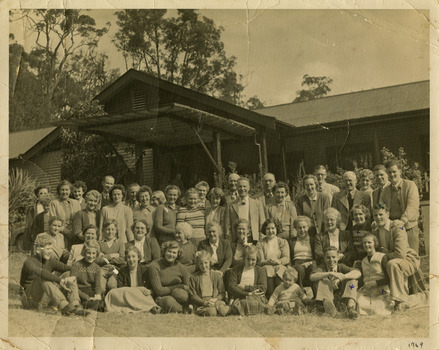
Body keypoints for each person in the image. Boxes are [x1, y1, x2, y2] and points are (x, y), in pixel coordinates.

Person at [372, 205, 428, 312]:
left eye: (381, 214)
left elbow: (400, 254)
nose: (378, 217)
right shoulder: (375, 231)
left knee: (392, 264)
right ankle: (385, 297)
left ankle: (398, 300)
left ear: (388, 214)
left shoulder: (398, 227)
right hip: (390, 261)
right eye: (375, 215)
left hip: (408, 260)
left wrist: (383, 255)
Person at [20, 236, 88, 316]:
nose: (50, 252)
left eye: (51, 249)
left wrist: (72, 277)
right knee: (43, 278)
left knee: (68, 274)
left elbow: (73, 269)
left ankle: (74, 305)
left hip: (44, 297)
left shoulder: (50, 261)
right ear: (38, 250)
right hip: (30, 299)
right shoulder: (29, 262)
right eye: (47, 249)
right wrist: (60, 281)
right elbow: (41, 272)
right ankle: (65, 306)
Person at [379, 160, 420, 253]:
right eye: (389, 172)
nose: (392, 174)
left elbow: (412, 207)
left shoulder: (410, 185)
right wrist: (379, 219)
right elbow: (381, 207)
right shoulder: (385, 190)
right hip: (393, 228)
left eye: (394, 172)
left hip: (408, 226)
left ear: (400, 171)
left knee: (411, 256)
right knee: (397, 256)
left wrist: (402, 221)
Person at [105, 245, 160, 313]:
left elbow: (153, 287)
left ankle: (150, 307)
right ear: (126, 259)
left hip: (140, 296)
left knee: (143, 294)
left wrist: (150, 291)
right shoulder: (122, 271)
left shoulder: (145, 270)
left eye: (133, 256)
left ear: (138, 258)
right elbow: (121, 289)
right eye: (128, 257)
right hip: (128, 296)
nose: (131, 259)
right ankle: (139, 307)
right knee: (112, 293)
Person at [310, 246, 361, 319]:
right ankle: (329, 309)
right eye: (328, 257)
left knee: (352, 280)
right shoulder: (322, 267)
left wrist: (341, 278)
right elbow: (312, 277)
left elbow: (358, 273)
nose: (331, 260)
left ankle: (350, 308)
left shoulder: (341, 267)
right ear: (324, 258)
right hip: (326, 300)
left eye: (333, 257)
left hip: (341, 298)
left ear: (338, 258)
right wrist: (330, 273)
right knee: (323, 279)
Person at [148, 241, 191, 313]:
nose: (171, 255)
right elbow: (159, 291)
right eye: (169, 251)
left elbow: (188, 286)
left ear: (178, 254)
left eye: (174, 253)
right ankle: (184, 310)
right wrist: (179, 286)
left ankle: (184, 308)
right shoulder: (155, 265)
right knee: (169, 301)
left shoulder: (180, 266)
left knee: (182, 295)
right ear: (164, 251)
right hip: (161, 297)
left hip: (176, 294)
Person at [356, 234, 393, 315]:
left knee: (378, 308)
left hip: (381, 290)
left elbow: (389, 278)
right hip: (368, 291)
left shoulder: (382, 257)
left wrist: (375, 282)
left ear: (374, 244)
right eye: (364, 243)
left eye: (369, 242)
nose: (366, 245)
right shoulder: (363, 261)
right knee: (357, 301)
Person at [189, 251, 230, 317]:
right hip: (202, 302)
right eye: (201, 264)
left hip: (215, 300)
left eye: (206, 263)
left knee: (224, 311)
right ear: (198, 264)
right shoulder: (193, 277)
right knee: (212, 312)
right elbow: (193, 295)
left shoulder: (216, 276)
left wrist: (215, 299)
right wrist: (204, 303)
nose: (204, 266)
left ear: (210, 262)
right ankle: (199, 311)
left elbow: (222, 293)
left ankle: (220, 309)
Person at [225, 177, 265, 242]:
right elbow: (227, 226)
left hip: (254, 239)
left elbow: (262, 224)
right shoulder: (231, 205)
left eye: (244, 186)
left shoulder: (257, 204)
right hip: (236, 240)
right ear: (237, 188)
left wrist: (261, 240)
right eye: (240, 186)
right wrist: (229, 241)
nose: (242, 189)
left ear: (249, 188)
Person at [257, 218, 290, 298]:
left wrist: (278, 261)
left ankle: (281, 296)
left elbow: (286, 258)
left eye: (273, 228)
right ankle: (270, 296)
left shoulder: (283, 242)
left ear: (277, 229)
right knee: (267, 269)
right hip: (266, 266)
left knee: (280, 269)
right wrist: (268, 261)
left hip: (279, 265)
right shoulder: (260, 243)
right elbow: (260, 261)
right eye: (268, 228)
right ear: (264, 230)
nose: (270, 231)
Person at [49, 180, 81, 249]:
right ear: (59, 191)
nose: (64, 192)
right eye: (62, 190)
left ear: (70, 191)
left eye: (67, 190)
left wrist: (74, 232)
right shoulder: (54, 203)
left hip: (74, 234)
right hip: (60, 233)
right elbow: (53, 220)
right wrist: (65, 231)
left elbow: (79, 220)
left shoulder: (76, 203)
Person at [71, 240, 102, 309]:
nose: (91, 256)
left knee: (100, 303)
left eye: (93, 253)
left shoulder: (97, 268)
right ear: (84, 253)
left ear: (97, 254)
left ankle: (87, 305)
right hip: (78, 291)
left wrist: (97, 295)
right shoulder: (76, 265)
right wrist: (86, 297)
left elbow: (97, 285)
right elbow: (73, 286)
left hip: (90, 291)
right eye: (88, 253)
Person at [98, 219, 125, 293]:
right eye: (107, 229)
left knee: (112, 286)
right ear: (103, 230)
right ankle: (100, 302)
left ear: (116, 230)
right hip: (102, 269)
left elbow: (122, 259)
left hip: (115, 269)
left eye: (112, 229)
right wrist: (113, 255)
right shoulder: (99, 243)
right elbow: (97, 260)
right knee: (101, 287)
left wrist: (105, 257)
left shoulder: (119, 243)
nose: (110, 232)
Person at [289, 216, 315, 290]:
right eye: (299, 228)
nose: (302, 230)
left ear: (308, 227)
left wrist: (309, 263)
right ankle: (300, 292)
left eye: (304, 227)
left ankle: (315, 293)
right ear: (296, 229)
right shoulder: (291, 241)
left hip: (310, 262)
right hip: (297, 264)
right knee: (299, 269)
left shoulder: (313, 239)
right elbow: (290, 257)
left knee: (313, 268)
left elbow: (316, 256)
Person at [24, 185, 50, 250]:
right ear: (37, 196)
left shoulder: (51, 205)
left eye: (45, 193)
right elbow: (29, 225)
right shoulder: (32, 209)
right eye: (41, 193)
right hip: (38, 234)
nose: (43, 195)